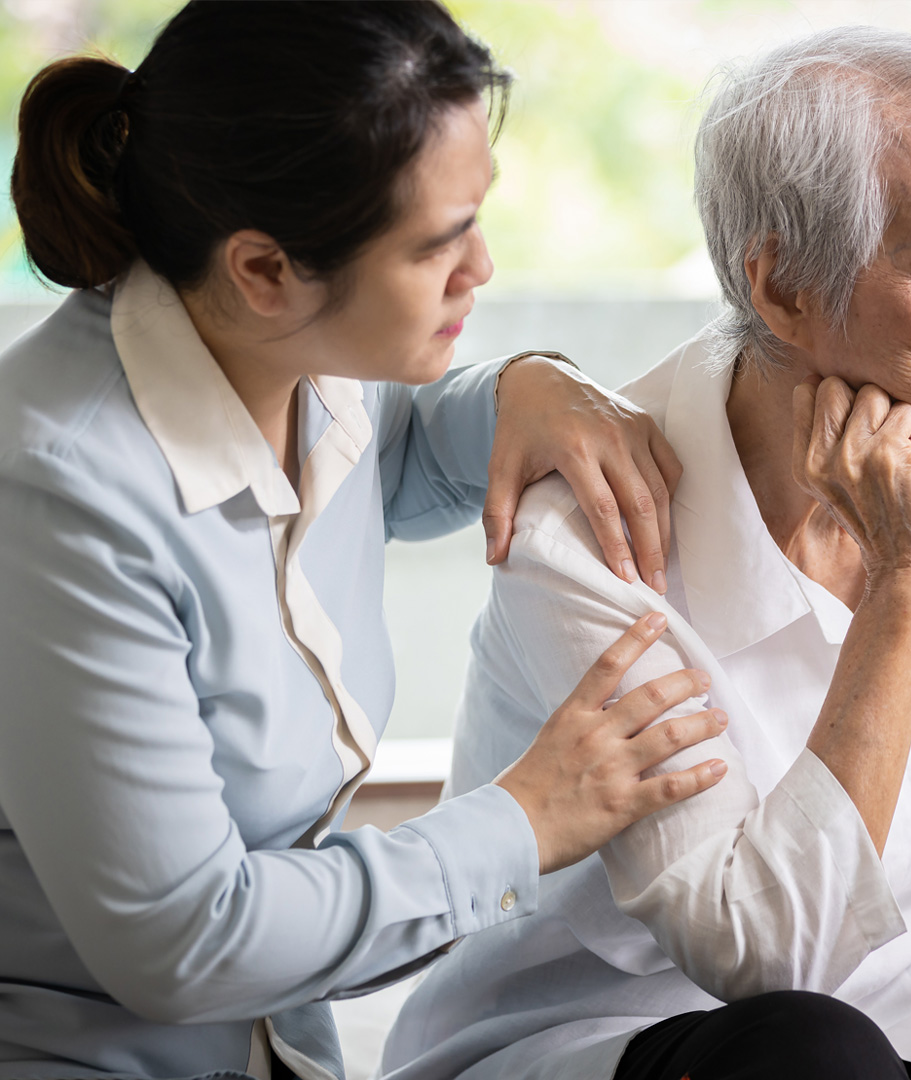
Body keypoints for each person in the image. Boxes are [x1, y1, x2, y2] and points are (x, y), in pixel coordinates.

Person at [0, 3, 734, 1078]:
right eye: (439, 244)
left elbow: (398, 454)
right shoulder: (59, 498)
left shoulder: (297, 357)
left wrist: (525, 389)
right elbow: (186, 939)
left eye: (478, 217)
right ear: (263, 271)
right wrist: (527, 820)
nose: (480, 267)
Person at [380, 26, 911, 1080]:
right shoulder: (584, 541)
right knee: (811, 1054)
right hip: (633, 1034)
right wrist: (905, 587)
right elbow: (765, 956)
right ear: (785, 288)